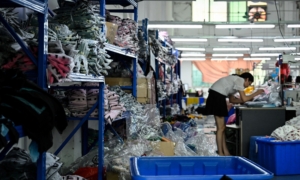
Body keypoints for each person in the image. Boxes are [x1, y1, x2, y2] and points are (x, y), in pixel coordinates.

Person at [205, 73, 264, 156]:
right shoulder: (240, 80)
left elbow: (232, 100)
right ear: (246, 79)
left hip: (216, 96)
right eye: (249, 83)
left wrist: (248, 99)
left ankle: (225, 152)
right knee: (220, 128)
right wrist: (256, 93)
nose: (248, 86)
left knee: (222, 128)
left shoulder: (233, 82)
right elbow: (244, 98)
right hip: (217, 97)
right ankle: (221, 153)